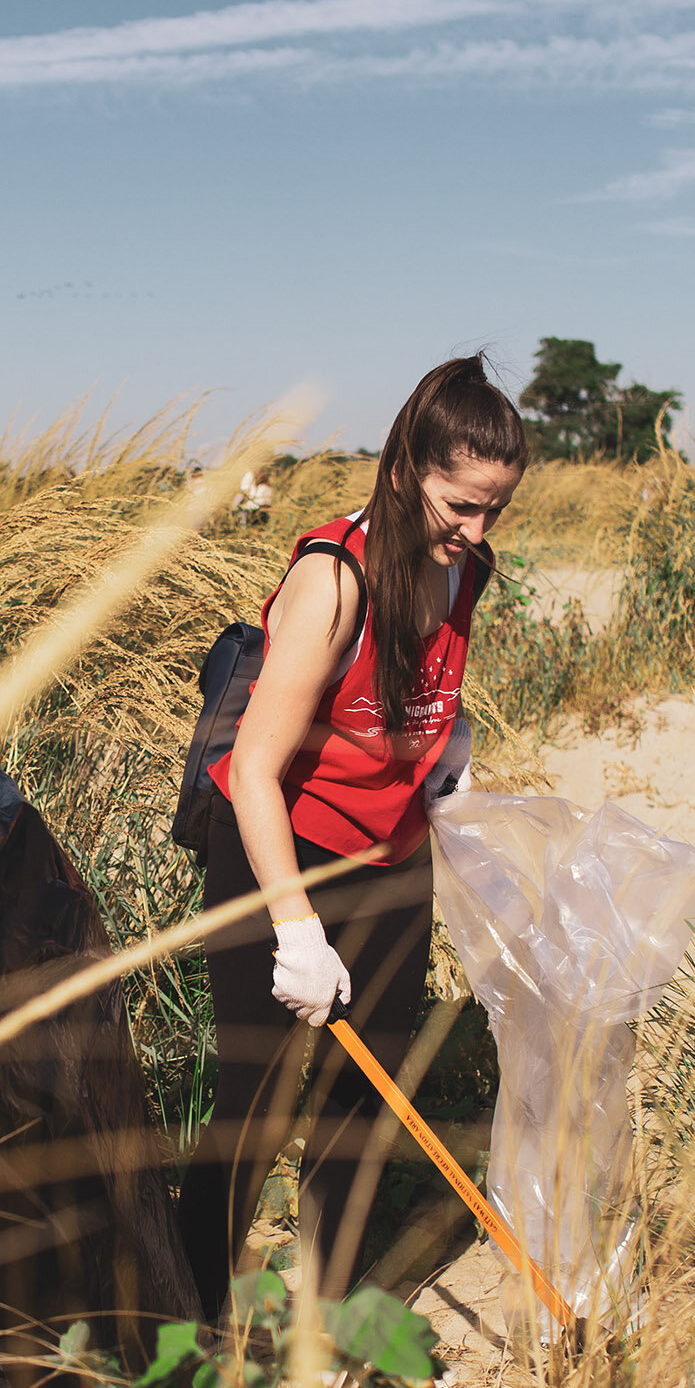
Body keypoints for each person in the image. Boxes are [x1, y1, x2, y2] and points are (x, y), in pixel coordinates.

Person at [177, 356, 527, 1320]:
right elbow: (252, 770)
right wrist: (293, 929)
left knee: (361, 1097)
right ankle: (192, 1312)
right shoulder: (333, 581)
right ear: (408, 467)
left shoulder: (468, 568)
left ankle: (326, 1313)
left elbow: (424, 697)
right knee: (257, 1099)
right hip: (278, 849)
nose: (475, 531)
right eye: (460, 505)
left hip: (387, 855)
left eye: (494, 509)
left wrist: (449, 756)